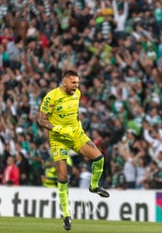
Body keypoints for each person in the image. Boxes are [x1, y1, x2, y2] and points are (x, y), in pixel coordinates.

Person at [37, 70, 109, 231]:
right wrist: (58, 129)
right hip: (59, 139)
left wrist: (79, 129)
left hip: (76, 134)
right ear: (64, 82)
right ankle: (66, 215)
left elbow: (74, 114)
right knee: (63, 176)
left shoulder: (77, 94)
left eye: (78, 83)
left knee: (99, 158)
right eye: (73, 83)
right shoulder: (51, 97)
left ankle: (94, 186)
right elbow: (41, 120)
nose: (76, 86)